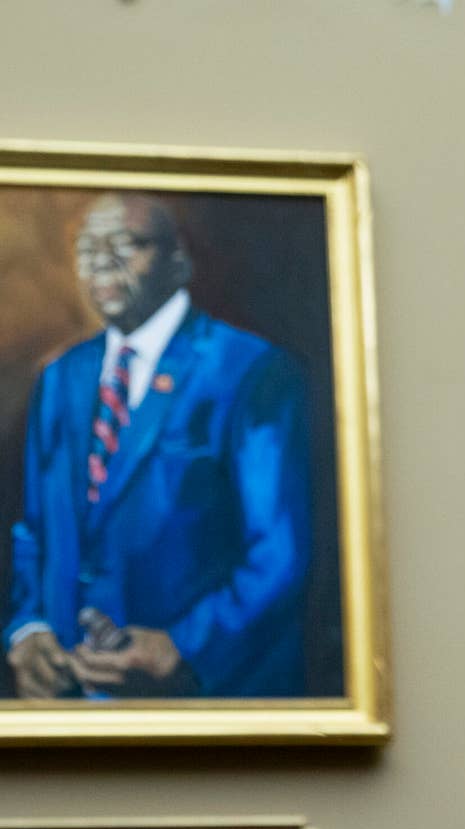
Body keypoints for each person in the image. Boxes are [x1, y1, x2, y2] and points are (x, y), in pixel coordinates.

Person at [5, 191, 312, 698]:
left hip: (196, 704)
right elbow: (34, 530)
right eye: (87, 248)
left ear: (178, 261)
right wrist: (29, 627)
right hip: (68, 702)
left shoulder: (251, 371)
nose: (100, 260)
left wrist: (186, 647)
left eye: (126, 244)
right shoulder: (62, 377)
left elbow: (278, 555)